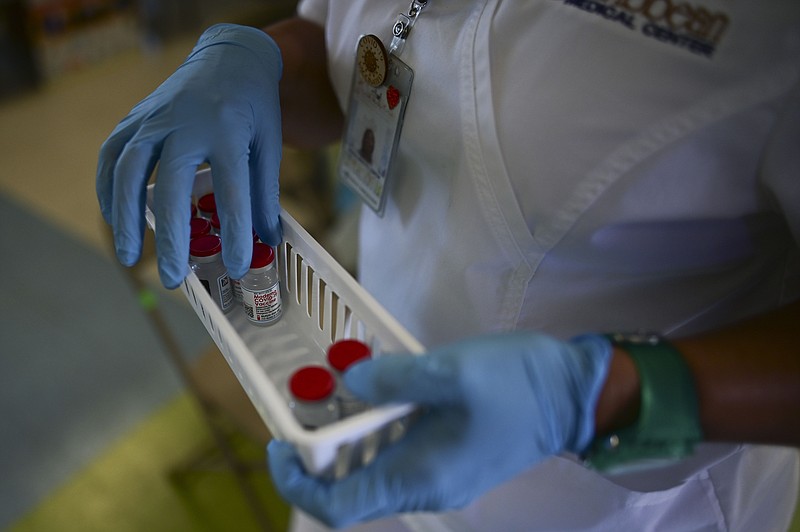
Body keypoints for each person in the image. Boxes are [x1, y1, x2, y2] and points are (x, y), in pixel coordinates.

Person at [97, 1, 800, 530]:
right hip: (365, 403)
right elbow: (357, 57)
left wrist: (593, 397)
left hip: (600, 497)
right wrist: (261, 61)